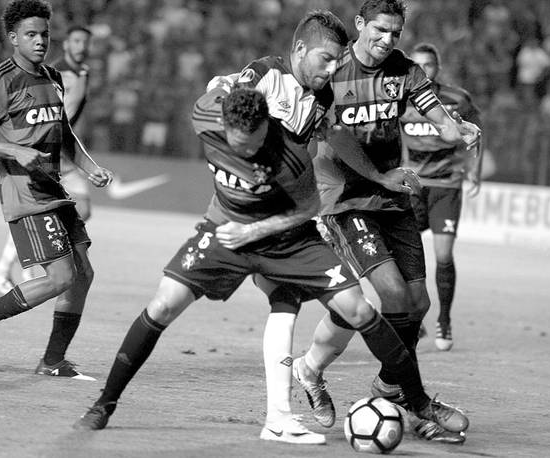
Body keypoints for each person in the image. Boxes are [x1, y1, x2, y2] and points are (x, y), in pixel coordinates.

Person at [206, 9, 433, 442]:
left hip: (294, 212)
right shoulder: (267, 74)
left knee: (352, 304)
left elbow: (335, 133)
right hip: (260, 211)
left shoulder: (322, 95)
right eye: (326, 60)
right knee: (288, 301)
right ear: (300, 50)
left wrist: (383, 174)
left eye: (335, 61)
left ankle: (307, 378)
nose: (330, 70)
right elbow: (225, 94)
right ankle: (294, 413)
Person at [268, 0, 480, 433]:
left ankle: (352, 377)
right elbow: (336, 137)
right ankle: (414, 399)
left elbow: (437, 116)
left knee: (415, 303)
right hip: (345, 200)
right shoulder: (333, 68)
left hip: (391, 194)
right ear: (360, 25)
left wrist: (459, 130)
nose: (387, 40)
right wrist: (380, 176)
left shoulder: (404, 71)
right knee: (393, 296)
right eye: (380, 30)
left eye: (395, 33)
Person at [0, 0, 113, 379]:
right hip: (24, 194)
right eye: (31, 34)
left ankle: (53, 361)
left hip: (55, 188)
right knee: (61, 277)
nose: (40, 41)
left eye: (44, 33)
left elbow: (65, 133)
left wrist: (89, 168)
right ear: (13, 38)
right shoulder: (0, 80)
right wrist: (12, 149)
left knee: (83, 275)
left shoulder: (53, 78)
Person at [0, 23, 94, 290]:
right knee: (47, 212)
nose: (82, 47)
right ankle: (9, 269)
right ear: (67, 44)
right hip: (48, 155)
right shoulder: (56, 75)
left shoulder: (82, 72)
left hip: (64, 156)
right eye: (77, 41)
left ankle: (27, 265)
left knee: (80, 210)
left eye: (86, 42)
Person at [400, 42, 484, 351]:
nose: (424, 70)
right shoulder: (400, 98)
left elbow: (477, 130)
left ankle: (444, 320)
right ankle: (413, 316)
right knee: (400, 255)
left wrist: (474, 169)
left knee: (444, 256)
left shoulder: (457, 98)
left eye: (430, 65)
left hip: (446, 185)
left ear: (438, 67)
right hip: (413, 185)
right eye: (418, 65)